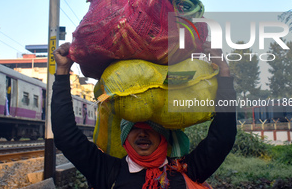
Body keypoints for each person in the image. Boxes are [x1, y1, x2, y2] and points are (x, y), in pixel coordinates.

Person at [51, 42, 237, 189]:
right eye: (133, 128)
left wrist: (225, 74)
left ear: (163, 134)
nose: (142, 134)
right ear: (124, 136)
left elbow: (223, 137)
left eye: (150, 128)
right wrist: (62, 72)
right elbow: (65, 136)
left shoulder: (185, 170)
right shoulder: (108, 171)